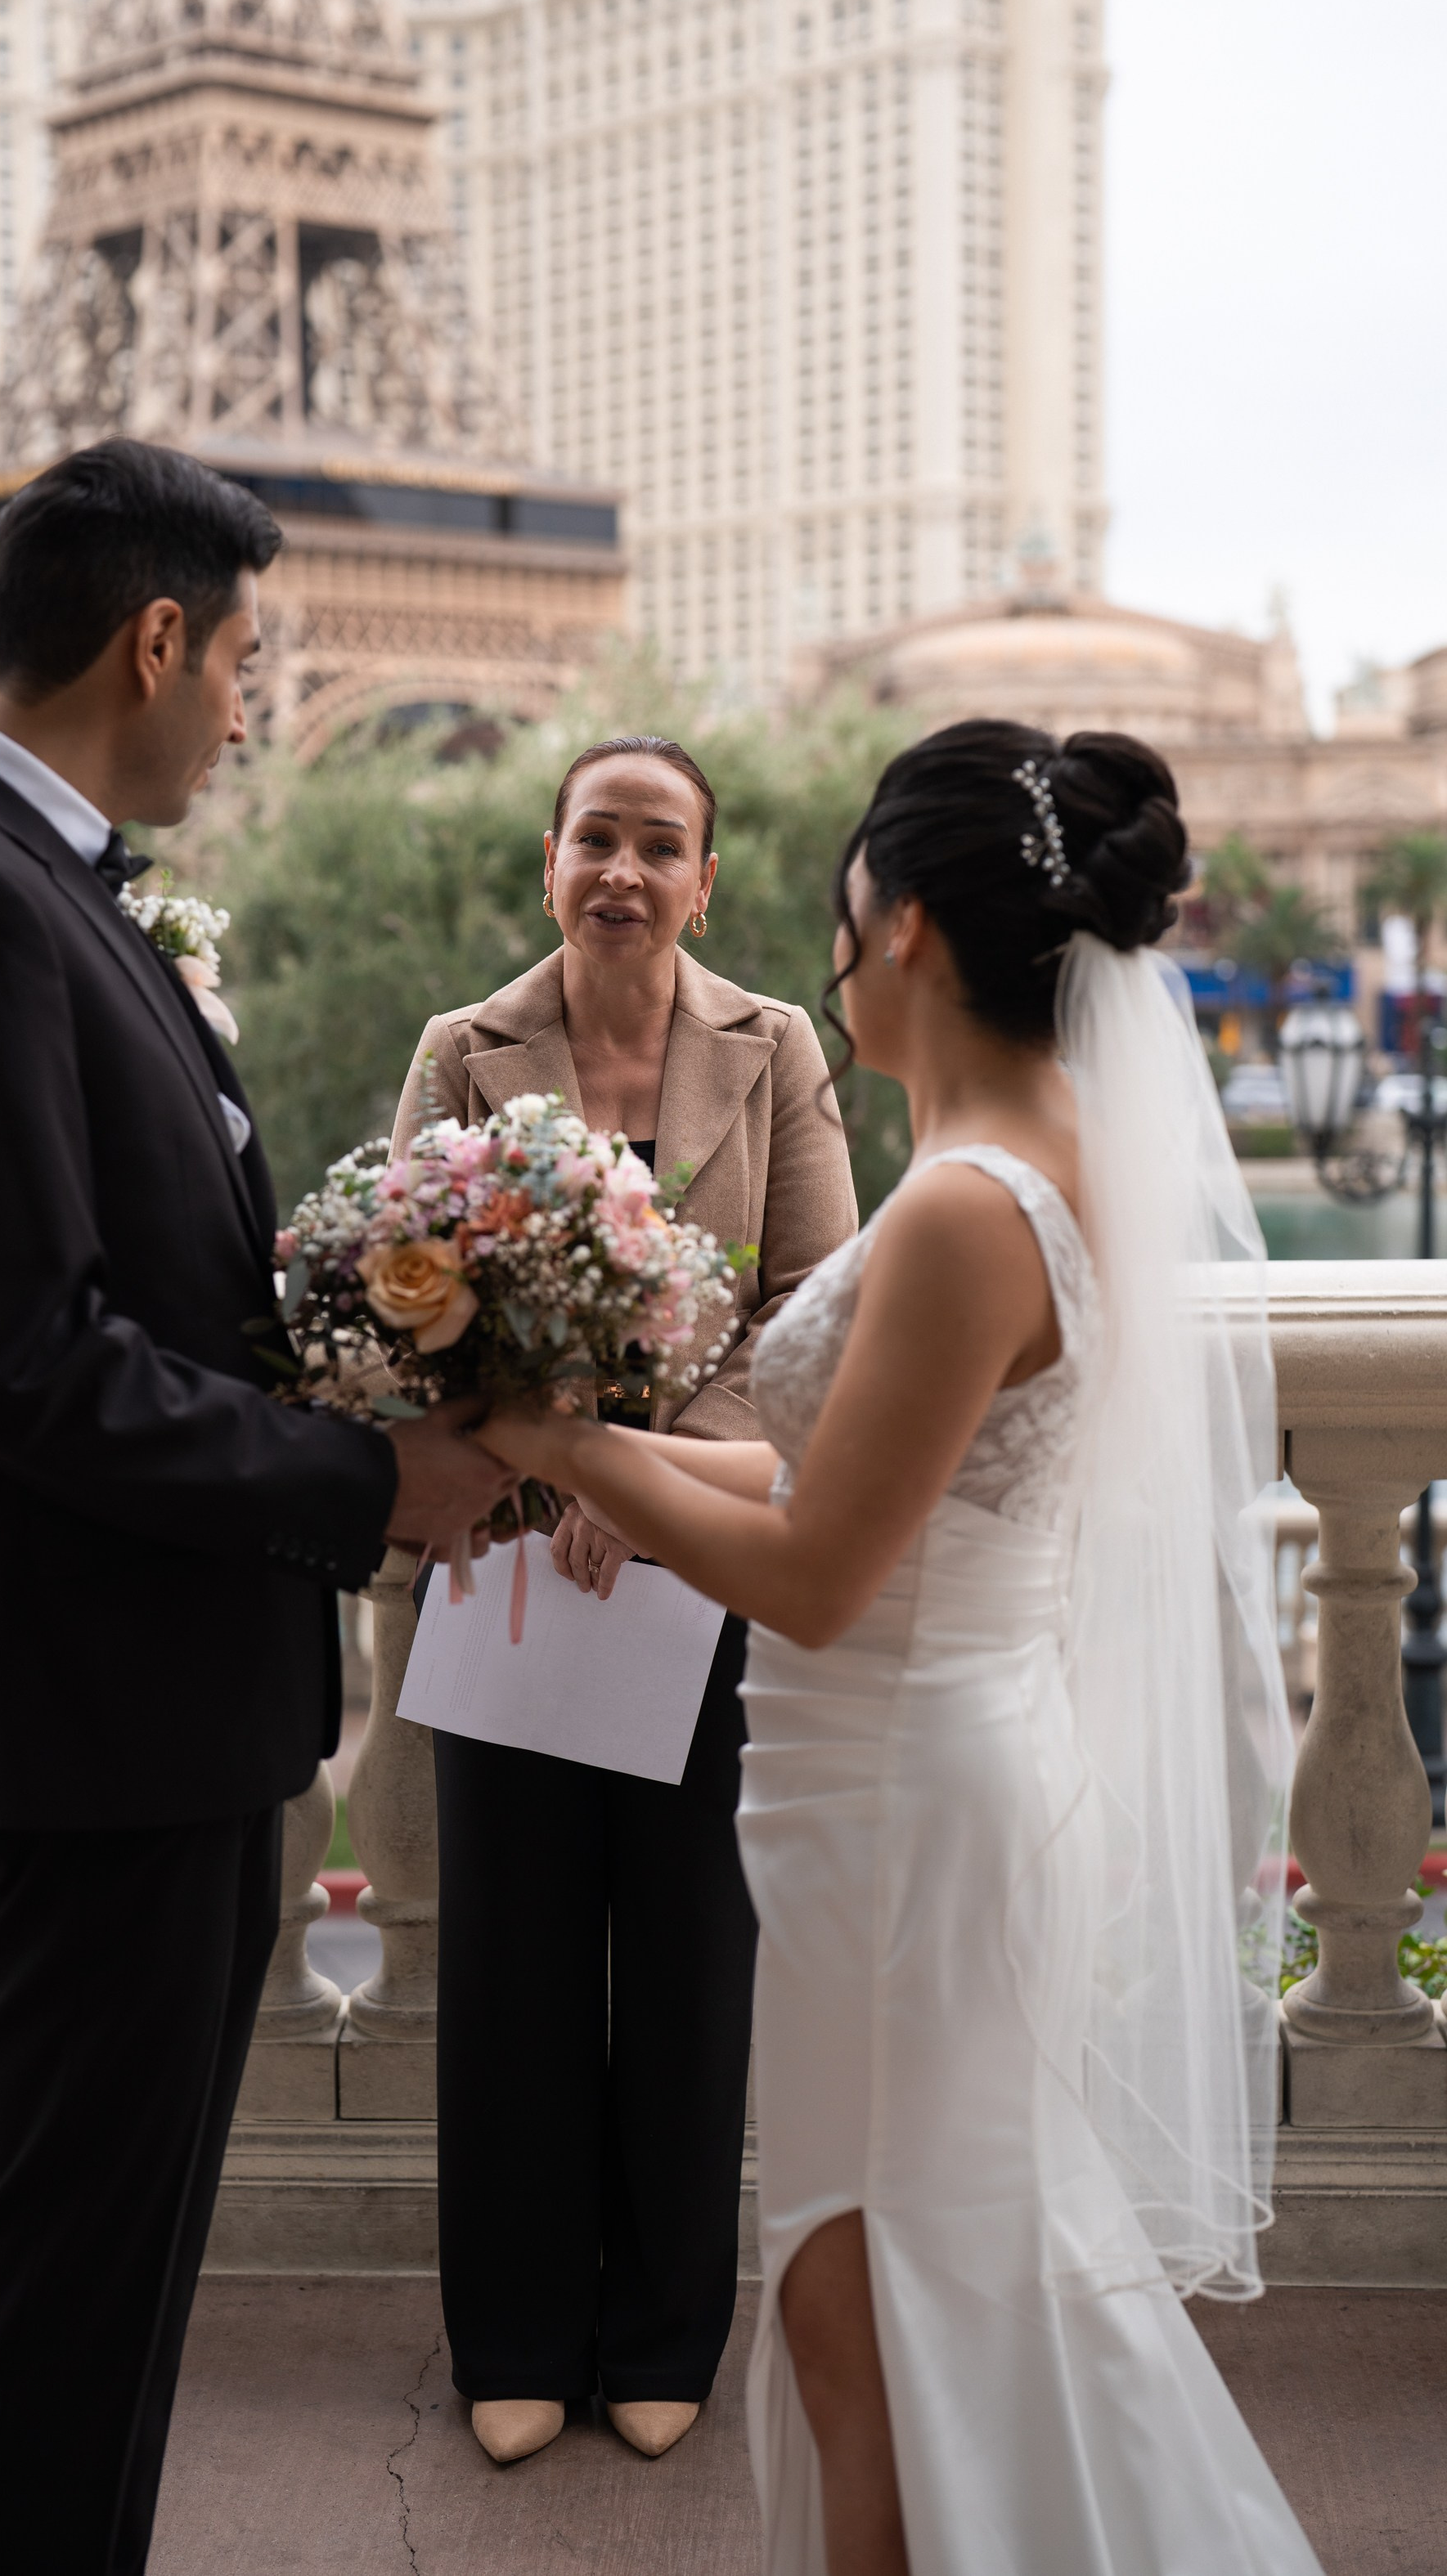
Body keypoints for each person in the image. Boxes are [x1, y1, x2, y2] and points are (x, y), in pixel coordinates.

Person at [478, 722, 1323, 2575]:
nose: (832, 956)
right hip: (927, 1767)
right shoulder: (1037, 1155)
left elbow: (814, 1568)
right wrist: (580, 1423)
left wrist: (543, 1435)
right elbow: (849, 1468)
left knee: (883, 2288)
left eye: (844, 918)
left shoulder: (961, 1205)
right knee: (904, 2281)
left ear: (915, 928)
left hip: (904, 1803)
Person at [0, 438, 513, 2576]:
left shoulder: (27, 885)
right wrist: (366, 1472)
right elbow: (16, 1361)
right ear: (157, 636)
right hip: (96, 1715)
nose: (246, 708)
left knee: (107, 2283)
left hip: (144, 1701)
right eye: (242, 663)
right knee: (69, 2290)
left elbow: (120, 1288)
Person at [389, 735, 855, 2468]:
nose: (624, 872)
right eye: (597, 837)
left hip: (706, 1575)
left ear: (704, 880)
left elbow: (813, 1319)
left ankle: (661, 2332)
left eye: (660, 845)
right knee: (507, 1964)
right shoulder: (461, 1049)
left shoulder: (777, 1047)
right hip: (508, 1571)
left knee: (686, 1965)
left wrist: (639, 1480)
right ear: (548, 859)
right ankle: (510, 2334)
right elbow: (399, 1299)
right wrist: (552, 1472)